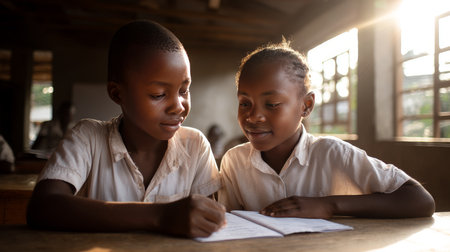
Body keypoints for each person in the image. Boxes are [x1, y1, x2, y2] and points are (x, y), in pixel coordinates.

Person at [27, 20, 226, 238]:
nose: (178, 106)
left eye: (184, 90)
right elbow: (43, 207)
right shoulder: (88, 139)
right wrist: (159, 215)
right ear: (117, 93)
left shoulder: (195, 146)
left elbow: (207, 223)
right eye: (158, 94)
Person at [218, 41, 435, 219]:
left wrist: (329, 205)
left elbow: (420, 200)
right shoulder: (234, 162)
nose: (254, 116)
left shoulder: (332, 154)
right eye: (245, 103)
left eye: (272, 104)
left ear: (306, 105)